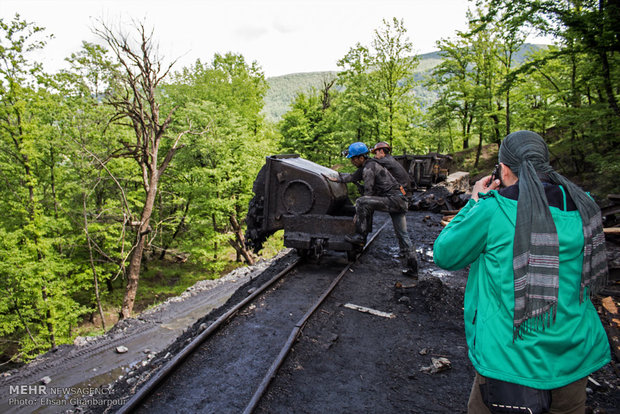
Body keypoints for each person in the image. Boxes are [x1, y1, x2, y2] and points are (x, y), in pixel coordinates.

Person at [433, 130, 610, 414]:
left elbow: (445, 253)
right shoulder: (584, 204)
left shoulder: (495, 210)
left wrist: (476, 201)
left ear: (502, 168)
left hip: (511, 362)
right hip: (575, 356)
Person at [328, 141, 418, 275]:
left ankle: (360, 236)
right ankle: (413, 268)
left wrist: (358, 215)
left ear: (361, 158)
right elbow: (352, 177)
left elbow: (368, 193)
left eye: (353, 159)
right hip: (399, 200)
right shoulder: (367, 166)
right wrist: (338, 178)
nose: (352, 161)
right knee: (402, 234)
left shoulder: (369, 168)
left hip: (394, 200)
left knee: (361, 202)